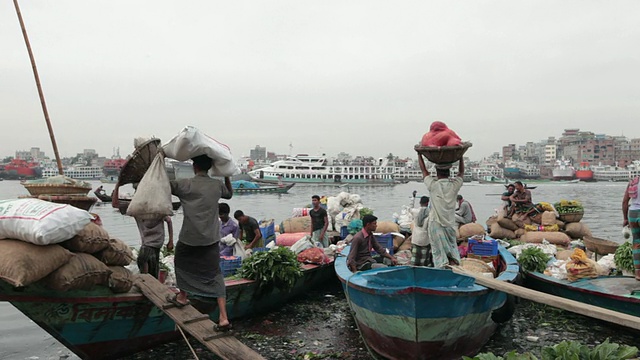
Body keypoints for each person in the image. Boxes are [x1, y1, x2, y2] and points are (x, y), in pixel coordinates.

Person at [168, 154, 233, 332]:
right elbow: (229, 194)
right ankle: (223, 318)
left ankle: (182, 296)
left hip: (189, 237)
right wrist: (226, 173)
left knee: (180, 263)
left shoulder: (185, 184)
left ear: (195, 167)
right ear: (210, 168)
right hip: (211, 239)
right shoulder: (216, 185)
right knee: (214, 274)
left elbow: (164, 186)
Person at [417, 155, 464, 268]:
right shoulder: (454, 186)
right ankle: (454, 267)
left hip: (436, 225)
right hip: (450, 225)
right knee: (452, 249)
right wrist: (461, 157)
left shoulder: (433, 185)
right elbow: (461, 172)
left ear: (437, 173)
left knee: (438, 253)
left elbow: (424, 170)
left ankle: (441, 270)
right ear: (449, 173)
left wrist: (419, 154)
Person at [622, 176, 640, 280]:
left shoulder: (633, 182)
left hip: (632, 213)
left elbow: (625, 202)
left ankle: (638, 274)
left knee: (637, 243)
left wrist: (625, 218)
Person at [411, 196, 432, 267]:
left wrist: (413, 198)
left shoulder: (415, 211)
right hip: (425, 240)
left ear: (420, 202)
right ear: (427, 203)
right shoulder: (430, 214)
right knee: (424, 260)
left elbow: (410, 208)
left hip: (415, 239)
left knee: (414, 259)